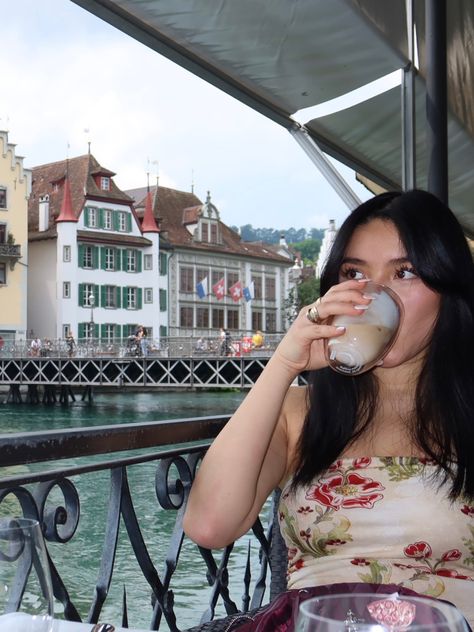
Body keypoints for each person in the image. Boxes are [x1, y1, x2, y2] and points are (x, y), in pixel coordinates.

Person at [183, 190, 474, 629]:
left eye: (406, 272)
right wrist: (283, 364)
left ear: (446, 286)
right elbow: (209, 525)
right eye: (354, 272)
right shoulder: (302, 411)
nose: (371, 296)